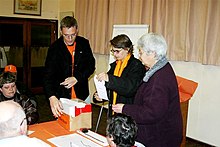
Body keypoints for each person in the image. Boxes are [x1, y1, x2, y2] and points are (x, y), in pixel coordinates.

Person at [112, 33, 183, 147]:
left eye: (141, 52)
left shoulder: (159, 79)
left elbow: (151, 113)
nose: (139, 56)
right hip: (160, 132)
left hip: (161, 138)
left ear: (153, 54)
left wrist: (125, 108)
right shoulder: (161, 68)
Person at [44, 16, 95, 118]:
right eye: (66, 35)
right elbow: (47, 75)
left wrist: (77, 78)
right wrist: (51, 97)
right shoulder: (54, 48)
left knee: (84, 126)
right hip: (61, 96)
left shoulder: (84, 43)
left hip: (82, 94)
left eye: (73, 35)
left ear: (77, 30)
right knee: (64, 129)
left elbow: (91, 66)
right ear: (61, 32)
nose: (70, 39)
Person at [94, 34, 146, 117]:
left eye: (117, 51)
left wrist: (109, 78)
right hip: (114, 112)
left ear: (127, 49)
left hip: (128, 114)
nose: (114, 54)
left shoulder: (137, 66)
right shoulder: (115, 65)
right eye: (113, 51)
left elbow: (130, 88)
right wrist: (100, 96)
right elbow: (110, 87)